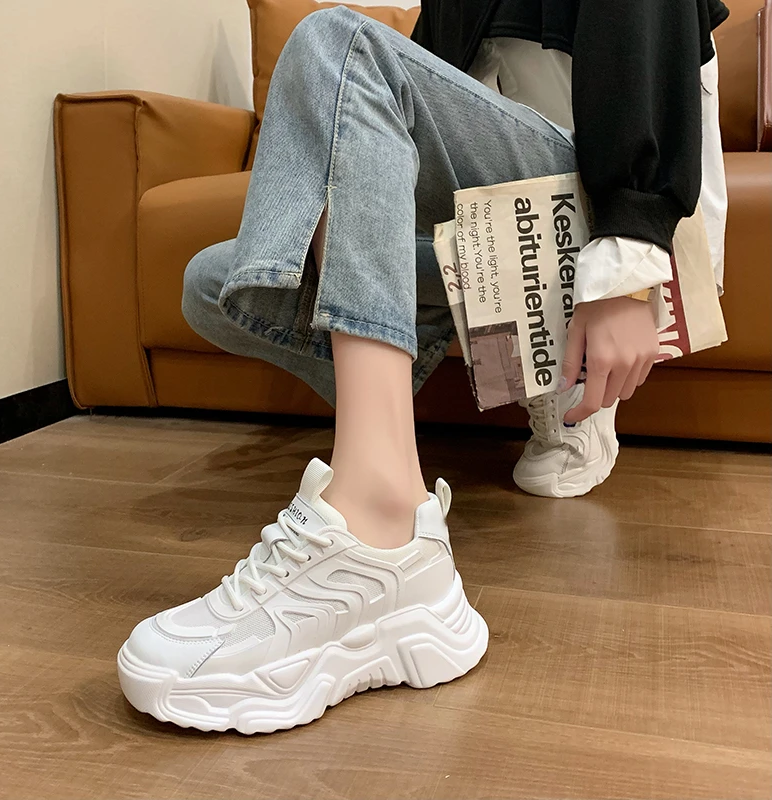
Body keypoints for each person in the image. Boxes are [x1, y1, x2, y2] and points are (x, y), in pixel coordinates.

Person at [116, 0, 729, 733]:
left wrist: (630, 258)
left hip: (614, 208)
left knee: (336, 43)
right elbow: (419, 113)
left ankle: (380, 522)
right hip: (482, 240)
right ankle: (388, 445)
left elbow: (650, 32)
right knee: (217, 281)